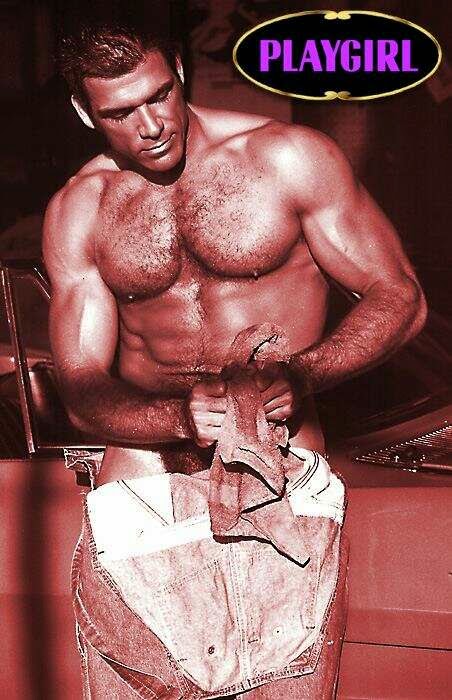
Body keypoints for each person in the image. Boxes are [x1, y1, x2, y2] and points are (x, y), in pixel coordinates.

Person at [44, 21, 426, 700]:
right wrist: (175, 417)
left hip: (279, 467)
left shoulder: (287, 158)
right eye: (121, 113)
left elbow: (399, 296)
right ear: (83, 113)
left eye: (159, 96)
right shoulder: (81, 209)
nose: (151, 126)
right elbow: (79, 385)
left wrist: (304, 373)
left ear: (180, 71)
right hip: (146, 480)